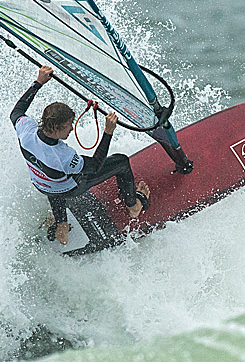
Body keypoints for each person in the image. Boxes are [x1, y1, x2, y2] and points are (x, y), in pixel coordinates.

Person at [10, 64, 150, 245]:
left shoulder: (26, 130)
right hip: (68, 189)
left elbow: (17, 111)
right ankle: (133, 205)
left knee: (53, 178)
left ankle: (62, 225)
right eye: (69, 125)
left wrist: (38, 82)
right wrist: (108, 132)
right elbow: (95, 165)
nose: (72, 128)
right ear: (57, 128)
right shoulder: (63, 156)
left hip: (41, 184)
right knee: (121, 161)